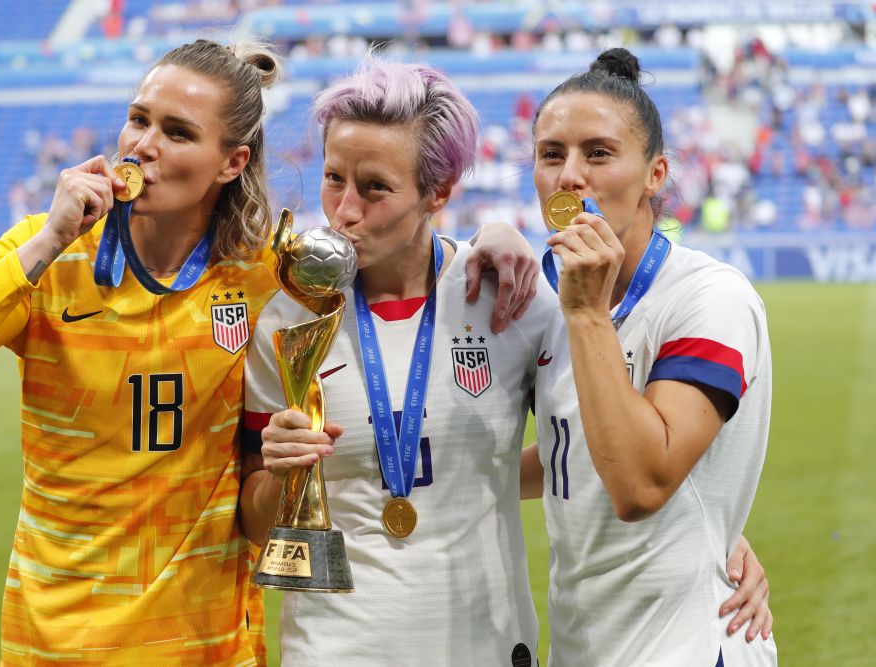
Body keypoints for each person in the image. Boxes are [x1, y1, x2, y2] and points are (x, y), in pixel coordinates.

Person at [238, 57, 772, 666]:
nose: (345, 210)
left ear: (438, 192)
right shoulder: (289, 319)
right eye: (334, 178)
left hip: (571, 647)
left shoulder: (530, 299)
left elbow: (640, 475)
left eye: (376, 187)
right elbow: (569, 450)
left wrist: (715, 529)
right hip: (352, 649)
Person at [0, 38, 283, 665]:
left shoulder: (262, 277)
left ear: (231, 163)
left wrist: (494, 235)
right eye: (139, 119)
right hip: (54, 641)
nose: (142, 146)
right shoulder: (48, 253)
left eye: (177, 132)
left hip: (205, 644)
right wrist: (49, 238)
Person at [522, 48, 777, 665]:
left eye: (599, 153)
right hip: (585, 645)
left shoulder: (710, 298)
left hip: (686, 646)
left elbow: (639, 484)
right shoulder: (544, 299)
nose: (569, 175)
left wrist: (586, 315)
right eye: (551, 154)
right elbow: (569, 451)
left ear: (655, 174)